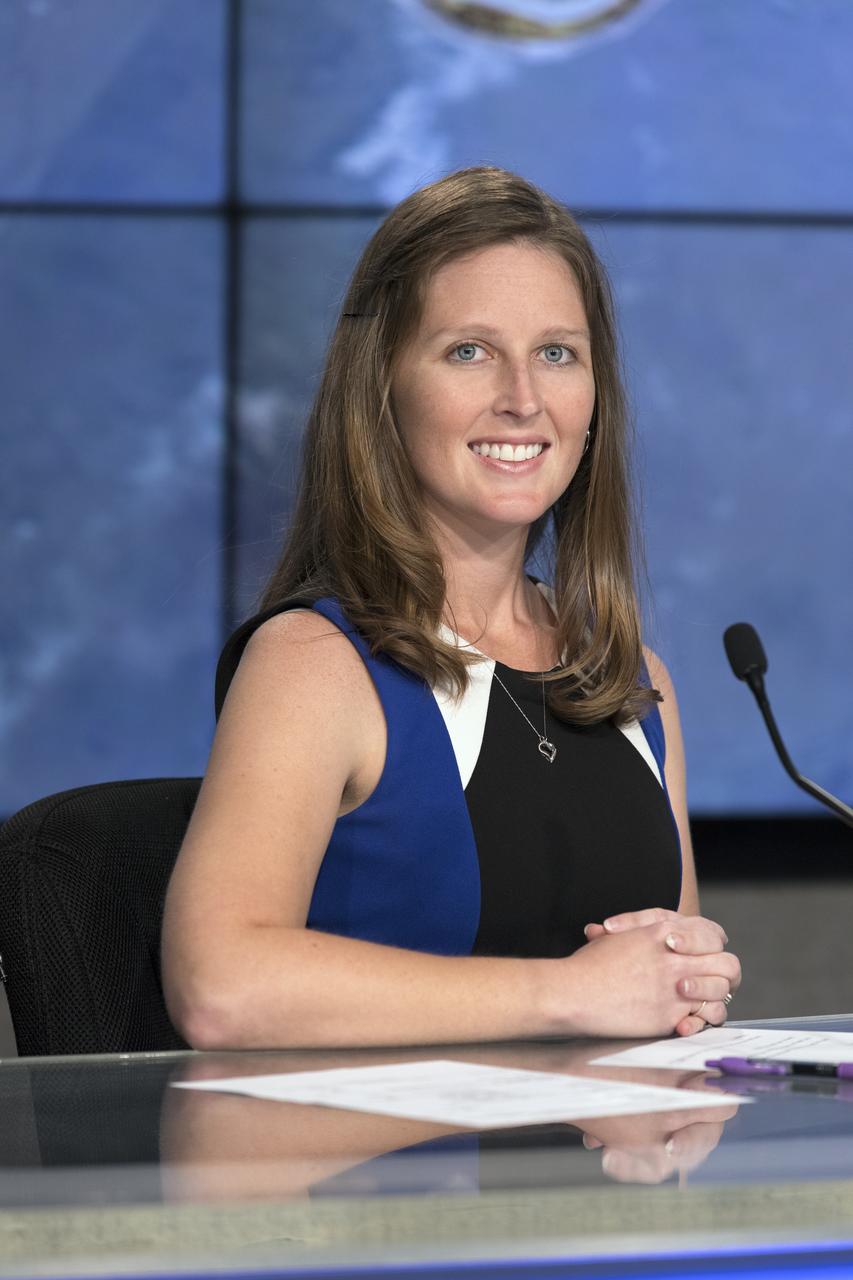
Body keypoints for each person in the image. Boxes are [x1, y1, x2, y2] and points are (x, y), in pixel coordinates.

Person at [162, 166, 741, 1050]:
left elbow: (659, 1009)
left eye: (557, 353)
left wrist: (684, 979)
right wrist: (564, 996)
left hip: (606, 1181)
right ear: (382, 387)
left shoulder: (631, 680)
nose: (522, 397)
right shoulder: (314, 663)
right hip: (389, 1181)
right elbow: (220, 989)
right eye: (468, 350)